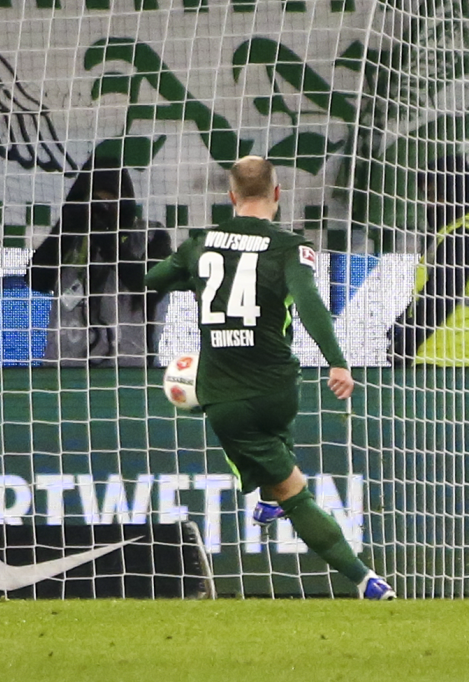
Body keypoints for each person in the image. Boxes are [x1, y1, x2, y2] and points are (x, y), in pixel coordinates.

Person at [143, 156, 396, 600]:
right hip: (280, 389)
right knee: (273, 445)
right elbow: (309, 301)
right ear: (277, 193)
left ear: (231, 196)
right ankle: (266, 500)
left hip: (225, 396)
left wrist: (195, 277)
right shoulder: (290, 247)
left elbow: (153, 279)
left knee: (293, 493)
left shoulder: (200, 245)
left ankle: (365, 581)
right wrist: (337, 362)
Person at [26, 157, 172, 366]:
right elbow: (36, 280)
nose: (102, 210)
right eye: (94, 202)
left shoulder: (151, 235)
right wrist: (66, 225)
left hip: (129, 369)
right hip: (65, 370)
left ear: (124, 201)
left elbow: (152, 285)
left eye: (110, 202)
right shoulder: (70, 236)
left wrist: (108, 240)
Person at [388, 154, 469, 365]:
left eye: (434, 195)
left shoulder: (461, 235)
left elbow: (441, 296)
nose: (429, 203)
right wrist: (404, 320)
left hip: (448, 357)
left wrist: (405, 346)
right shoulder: (452, 231)